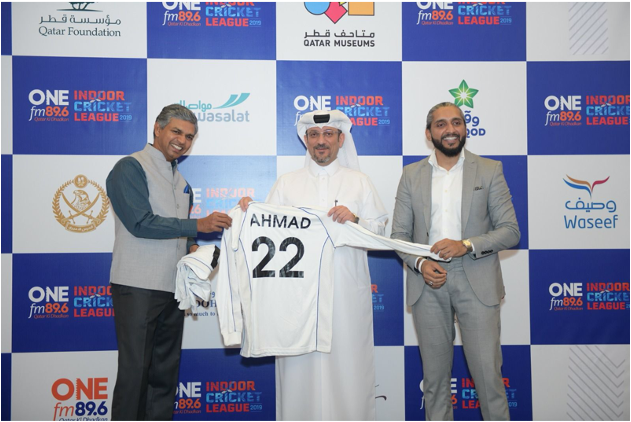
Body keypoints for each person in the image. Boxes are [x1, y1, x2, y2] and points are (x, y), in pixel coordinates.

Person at [238, 109, 387, 420]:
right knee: (297, 374)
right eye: (315, 135)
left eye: (328, 134)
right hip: (294, 299)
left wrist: (356, 220)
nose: (322, 141)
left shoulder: (359, 183)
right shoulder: (286, 184)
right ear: (305, 140)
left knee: (348, 369)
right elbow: (264, 237)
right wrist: (248, 213)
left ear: (340, 139)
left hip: (346, 293)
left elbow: (381, 235)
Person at [391, 102, 520, 421]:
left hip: (477, 280)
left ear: (465, 128)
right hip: (427, 280)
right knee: (434, 384)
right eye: (441, 124)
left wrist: (465, 245)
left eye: (457, 122)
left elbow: (510, 232)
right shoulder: (411, 174)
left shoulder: (490, 169)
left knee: (489, 380)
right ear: (428, 133)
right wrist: (420, 264)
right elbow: (398, 234)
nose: (450, 129)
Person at [106, 104, 232, 421]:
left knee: (164, 374)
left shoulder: (181, 181)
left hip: (173, 289)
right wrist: (197, 228)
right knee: (135, 374)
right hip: (137, 287)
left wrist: (193, 248)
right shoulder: (129, 168)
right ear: (157, 129)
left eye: (189, 136)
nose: (182, 141)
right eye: (176, 131)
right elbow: (140, 223)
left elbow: (178, 229)